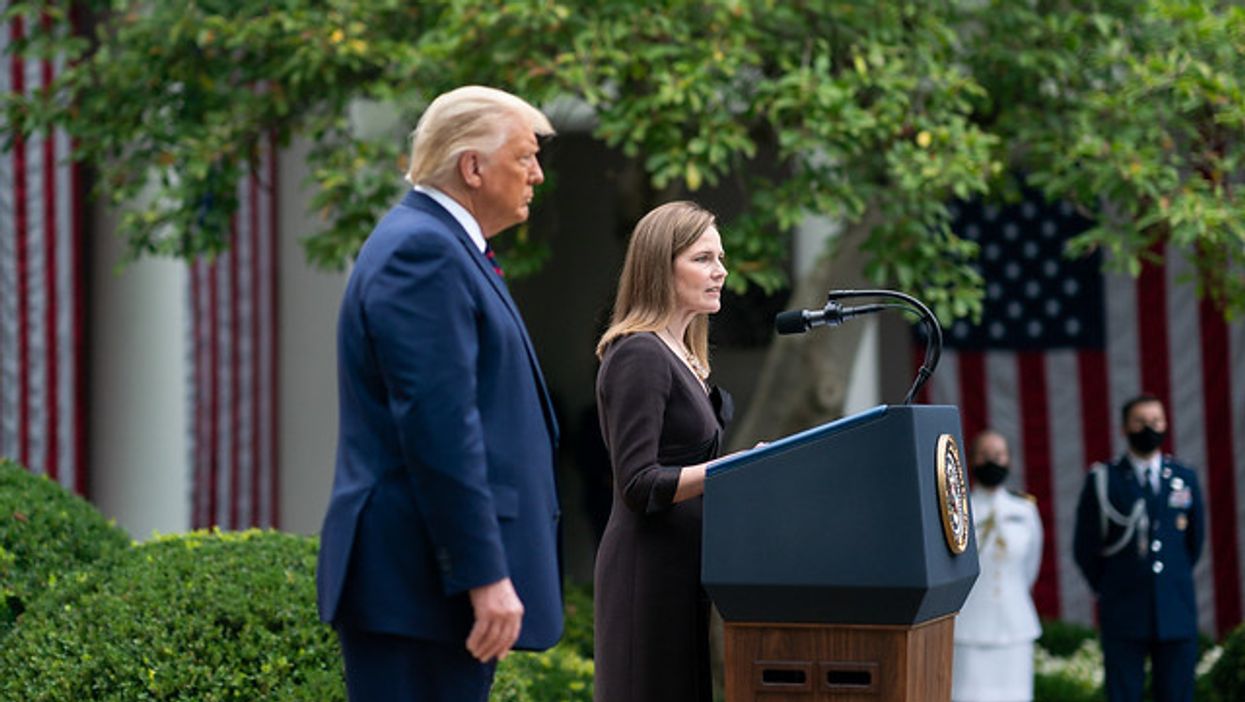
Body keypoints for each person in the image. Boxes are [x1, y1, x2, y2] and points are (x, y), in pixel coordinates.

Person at [315, 86, 562, 702]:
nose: (536, 174)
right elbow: (439, 429)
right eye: (525, 157)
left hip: (426, 588)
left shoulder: (443, 246)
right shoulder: (422, 251)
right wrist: (483, 575)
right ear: (472, 167)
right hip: (419, 586)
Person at [592, 201, 734, 702]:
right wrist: (733, 470)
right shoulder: (639, 353)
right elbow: (636, 483)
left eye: (720, 257)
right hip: (646, 574)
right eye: (702, 258)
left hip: (682, 572)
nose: (720, 271)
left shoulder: (684, 356)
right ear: (660, 265)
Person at [1073, 394, 1205, 702]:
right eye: (1141, 422)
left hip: (1175, 609)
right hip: (1124, 609)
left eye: (1156, 421)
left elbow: (1193, 544)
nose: (1149, 428)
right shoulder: (1105, 479)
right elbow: (1085, 547)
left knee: (1176, 694)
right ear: (1124, 428)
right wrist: (1112, 586)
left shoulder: (1184, 477)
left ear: (1166, 425)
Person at [951, 430, 1043, 702]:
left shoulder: (1024, 509)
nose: (992, 460)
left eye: (999, 455)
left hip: (1015, 624)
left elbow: (1030, 565)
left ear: (1009, 461)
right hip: (969, 626)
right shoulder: (959, 507)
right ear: (972, 460)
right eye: (985, 455)